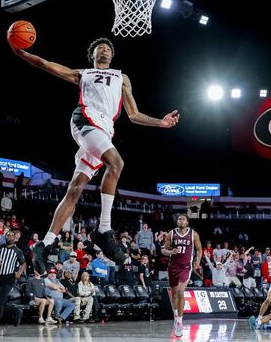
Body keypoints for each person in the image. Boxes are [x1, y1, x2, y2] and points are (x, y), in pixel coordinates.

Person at [10, 36, 180, 274]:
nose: (105, 50)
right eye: (100, 47)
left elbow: (133, 114)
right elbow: (46, 64)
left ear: (112, 55)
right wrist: (21, 53)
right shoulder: (83, 74)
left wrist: (160, 123)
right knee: (117, 163)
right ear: (92, 55)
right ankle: (104, 228)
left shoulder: (122, 77)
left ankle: (43, 244)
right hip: (85, 120)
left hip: (104, 130)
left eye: (108, 48)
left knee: (75, 189)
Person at [161, 214, 202, 338]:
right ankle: (176, 316)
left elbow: (199, 250)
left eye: (183, 219)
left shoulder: (193, 234)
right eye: (179, 219)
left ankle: (180, 321)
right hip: (173, 267)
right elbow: (163, 250)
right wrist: (170, 252)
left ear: (187, 222)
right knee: (174, 294)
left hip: (186, 267)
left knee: (180, 292)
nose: (181, 220)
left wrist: (198, 261)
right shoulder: (171, 234)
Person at [0, 230, 26, 336]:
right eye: (8, 235)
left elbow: (23, 263)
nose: (10, 237)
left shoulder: (17, 251)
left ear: (15, 237)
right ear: (5, 236)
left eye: (12, 235)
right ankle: (16, 310)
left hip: (9, 279)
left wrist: (19, 273)